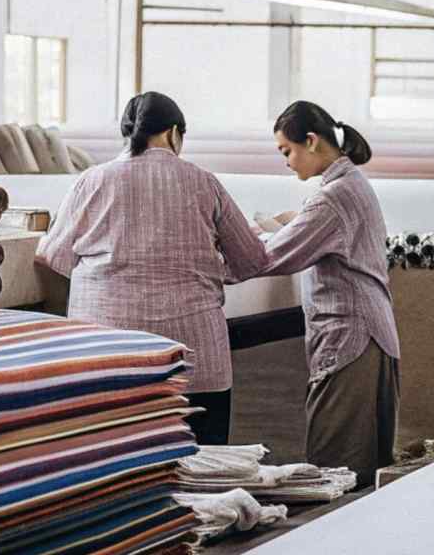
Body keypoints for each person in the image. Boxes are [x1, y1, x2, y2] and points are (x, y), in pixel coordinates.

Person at [36, 91, 269, 445]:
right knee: (204, 464)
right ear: (174, 132)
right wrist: (207, 267)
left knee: (112, 465)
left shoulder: (92, 180)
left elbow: (53, 255)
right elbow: (251, 259)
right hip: (194, 358)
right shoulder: (202, 181)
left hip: (105, 354)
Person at [258, 101, 400, 487]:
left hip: (350, 337)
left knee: (333, 468)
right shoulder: (349, 183)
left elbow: (272, 258)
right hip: (371, 334)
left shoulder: (332, 197)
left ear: (311, 140)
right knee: (365, 464)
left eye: (287, 151)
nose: (286, 162)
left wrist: (222, 251)